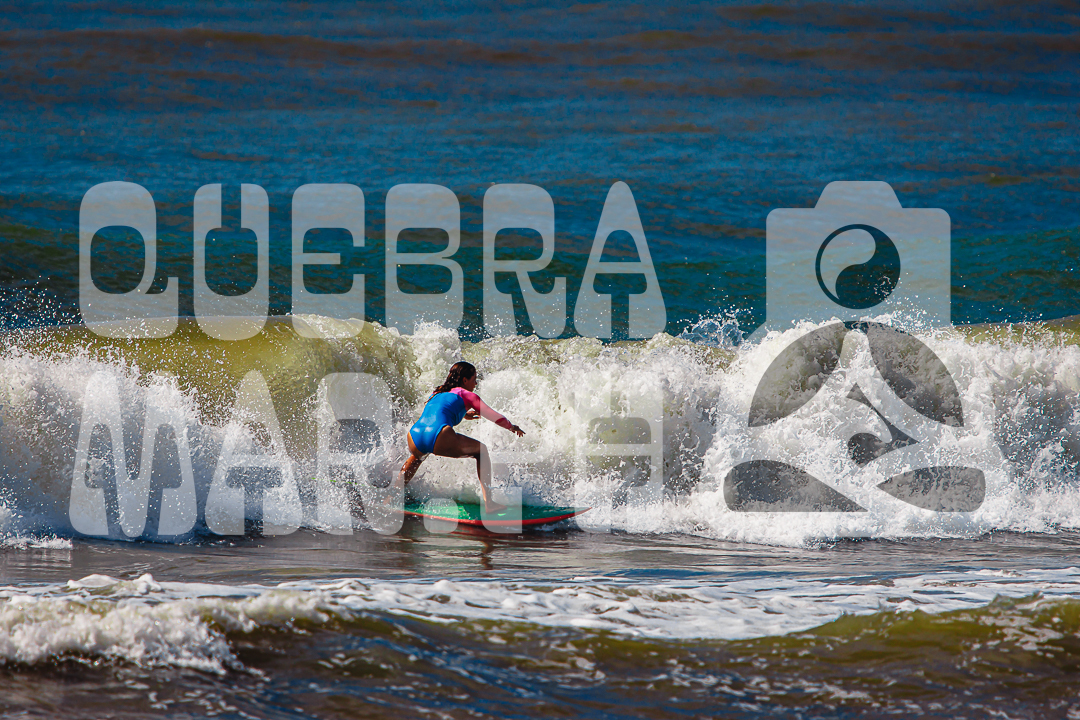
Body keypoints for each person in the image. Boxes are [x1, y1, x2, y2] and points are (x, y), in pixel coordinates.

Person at [400, 361, 525, 513]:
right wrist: (511, 427)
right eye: (474, 379)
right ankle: (489, 503)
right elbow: (493, 416)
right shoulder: (468, 395)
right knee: (481, 451)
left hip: (414, 436)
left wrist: (465, 414)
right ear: (465, 380)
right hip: (439, 434)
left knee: (417, 457)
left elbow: (440, 411)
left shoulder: (437, 393)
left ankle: (392, 495)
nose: (476, 383)